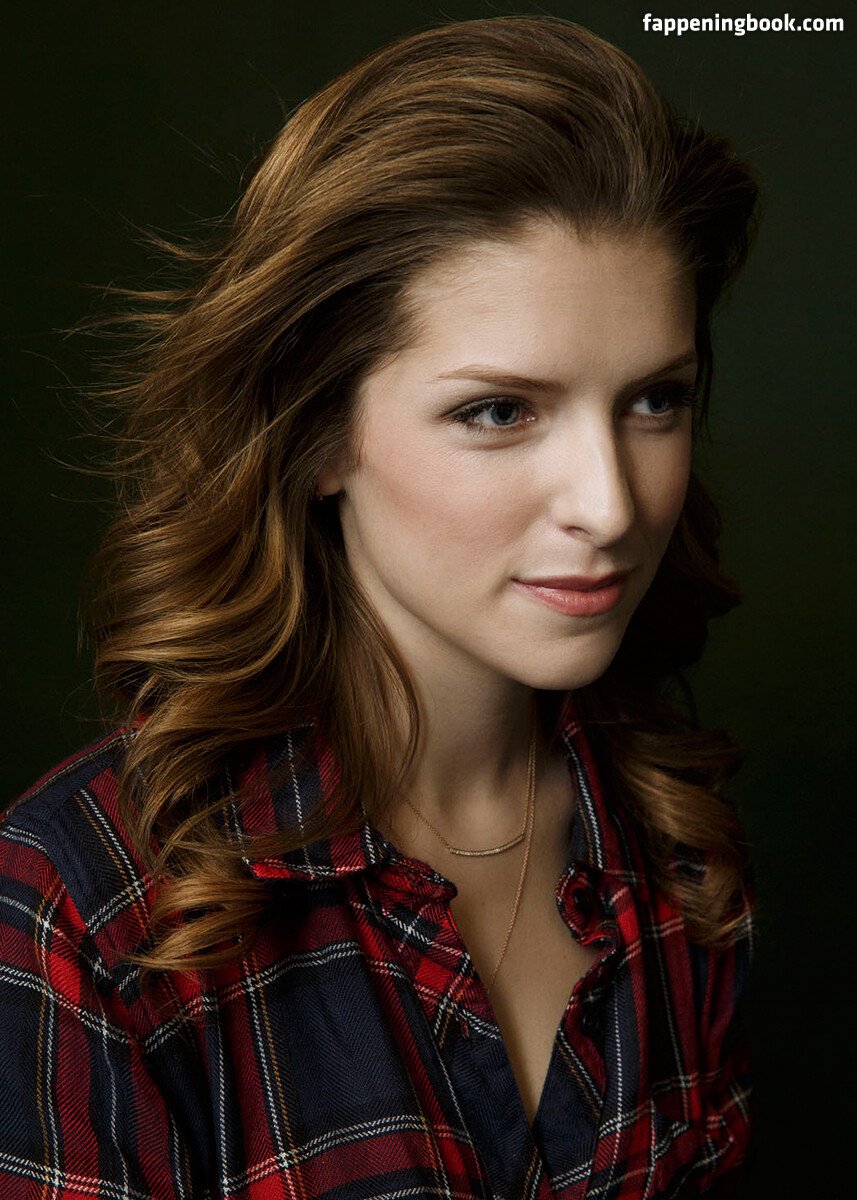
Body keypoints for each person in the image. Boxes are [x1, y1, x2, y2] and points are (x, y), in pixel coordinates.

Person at [0, 15, 758, 1200]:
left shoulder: (674, 853)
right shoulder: (85, 909)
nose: (609, 505)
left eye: (652, 400)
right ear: (316, 437)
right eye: (497, 412)